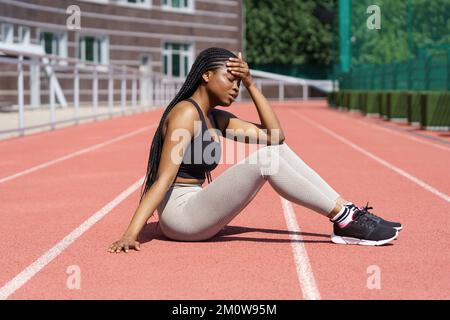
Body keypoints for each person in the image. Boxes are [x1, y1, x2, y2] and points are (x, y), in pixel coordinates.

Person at [108, 47, 402, 253]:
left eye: (239, 83)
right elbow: (161, 180)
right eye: (231, 79)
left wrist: (251, 83)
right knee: (266, 160)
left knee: (276, 151)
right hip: (180, 216)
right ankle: (346, 220)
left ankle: (346, 214)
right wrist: (131, 233)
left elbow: (275, 136)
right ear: (206, 76)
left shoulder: (216, 117)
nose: (235, 89)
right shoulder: (186, 113)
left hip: (196, 204)